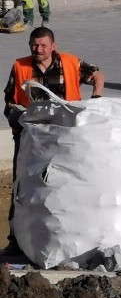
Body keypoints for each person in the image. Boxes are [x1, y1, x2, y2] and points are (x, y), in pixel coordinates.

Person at [3, 26, 105, 253]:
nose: (38, 49)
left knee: (68, 183)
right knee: (24, 187)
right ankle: (17, 241)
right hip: (31, 140)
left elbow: (97, 74)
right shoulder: (20, 66)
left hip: (65, 137)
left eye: (43, 45)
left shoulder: (70, 63)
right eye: (34, 45)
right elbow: (10, 100)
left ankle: (69, 237)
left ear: (53, 46)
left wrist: (96, 97)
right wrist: (16, 116)